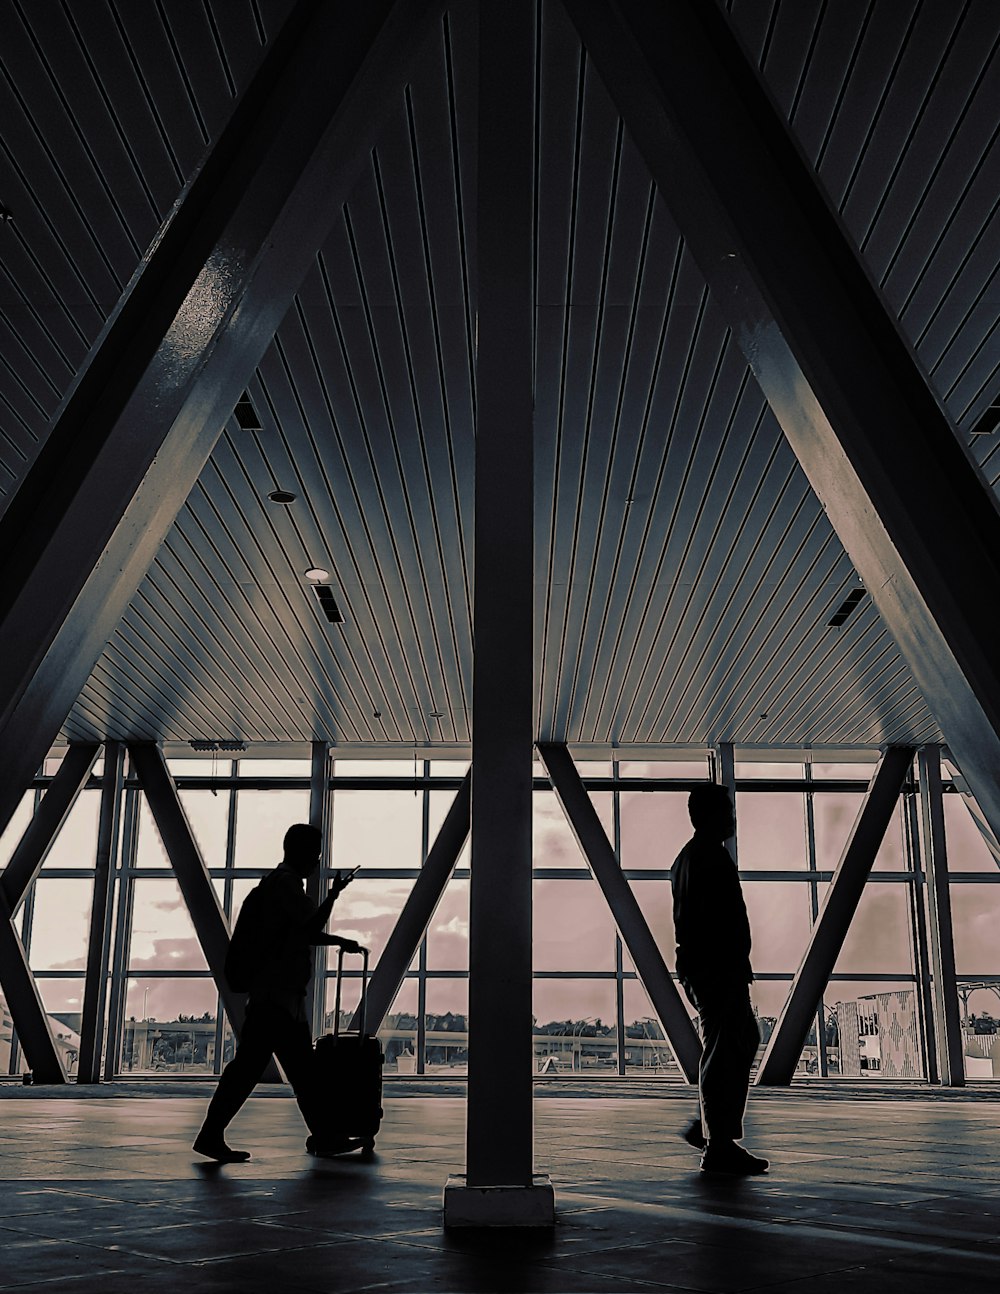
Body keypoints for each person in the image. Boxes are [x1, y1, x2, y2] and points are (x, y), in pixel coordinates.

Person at [193, 822, 364, 1163]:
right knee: (275, 1071)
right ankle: (214, 1134)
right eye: (315, 854)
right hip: (278, 999)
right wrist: (333, 896)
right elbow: (309, 927)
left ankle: (322, 1135)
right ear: (302, 853)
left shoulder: (271, 885)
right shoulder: (286, 886)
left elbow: (296, 933)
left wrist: (337, 939)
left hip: (272, 996)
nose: (316, 862)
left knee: (290, 1071)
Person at [672, 784, 768, 1175]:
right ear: (709, 814)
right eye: (727, 810)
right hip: (716, 968)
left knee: (739, 1040)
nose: (733, 817)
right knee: (727, 1046)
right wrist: (729, 965)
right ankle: (718, 1142)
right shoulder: (708, 857)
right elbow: (715, 921)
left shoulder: (693, 857)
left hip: (711, 967)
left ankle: (711, 1127)